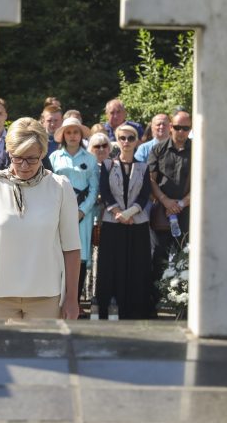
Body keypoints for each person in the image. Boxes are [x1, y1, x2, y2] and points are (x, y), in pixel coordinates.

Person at [0, 117, 81, 320]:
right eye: (18, 157)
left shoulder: (60, 187)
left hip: (46, 294)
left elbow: (71, 247)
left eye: (32, 158)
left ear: (42, 153)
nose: (24, 165)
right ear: (9, 153)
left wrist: (72, 298)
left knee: (45, 352)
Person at [96, 124, 153, 318]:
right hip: (113, 223)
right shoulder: (107, 165)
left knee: (137, 267)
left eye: (130, 138)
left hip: (137, 223)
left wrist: (129, 214)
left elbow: (145, 195)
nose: (126, 142)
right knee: (111, 266)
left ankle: (135, 310)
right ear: (117, 141)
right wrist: (118, 213)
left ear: (137, 141)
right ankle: (109, 309)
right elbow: (104, 191)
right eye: (122, 138)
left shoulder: (144, 167)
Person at [48, 116, 98, 308]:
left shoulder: (90, 159)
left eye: (75, 132)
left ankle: (74, 302)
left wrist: (82, 211)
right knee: (57, 253)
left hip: (82, 215)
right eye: (68, 132)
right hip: (59, 212)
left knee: (80, 254)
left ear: (81, 135)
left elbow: (94, 190)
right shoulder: (53, 158)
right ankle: (55, 302)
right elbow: (49, 186)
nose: (72, 135)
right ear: (63, 135)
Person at [148, 110, 193, 291]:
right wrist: (165, 201)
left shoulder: (198, 150)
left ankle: (183, 306)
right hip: (162, 211)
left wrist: (181, 204)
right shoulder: (158, 149)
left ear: (190, 129)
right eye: (177, 127)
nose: (181, 132)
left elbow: (202, 181)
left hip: (188, 211)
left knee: (186, 258)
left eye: (185, 128)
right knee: (159, 257)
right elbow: (151, 179)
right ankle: (154, 303)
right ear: (170, 127)